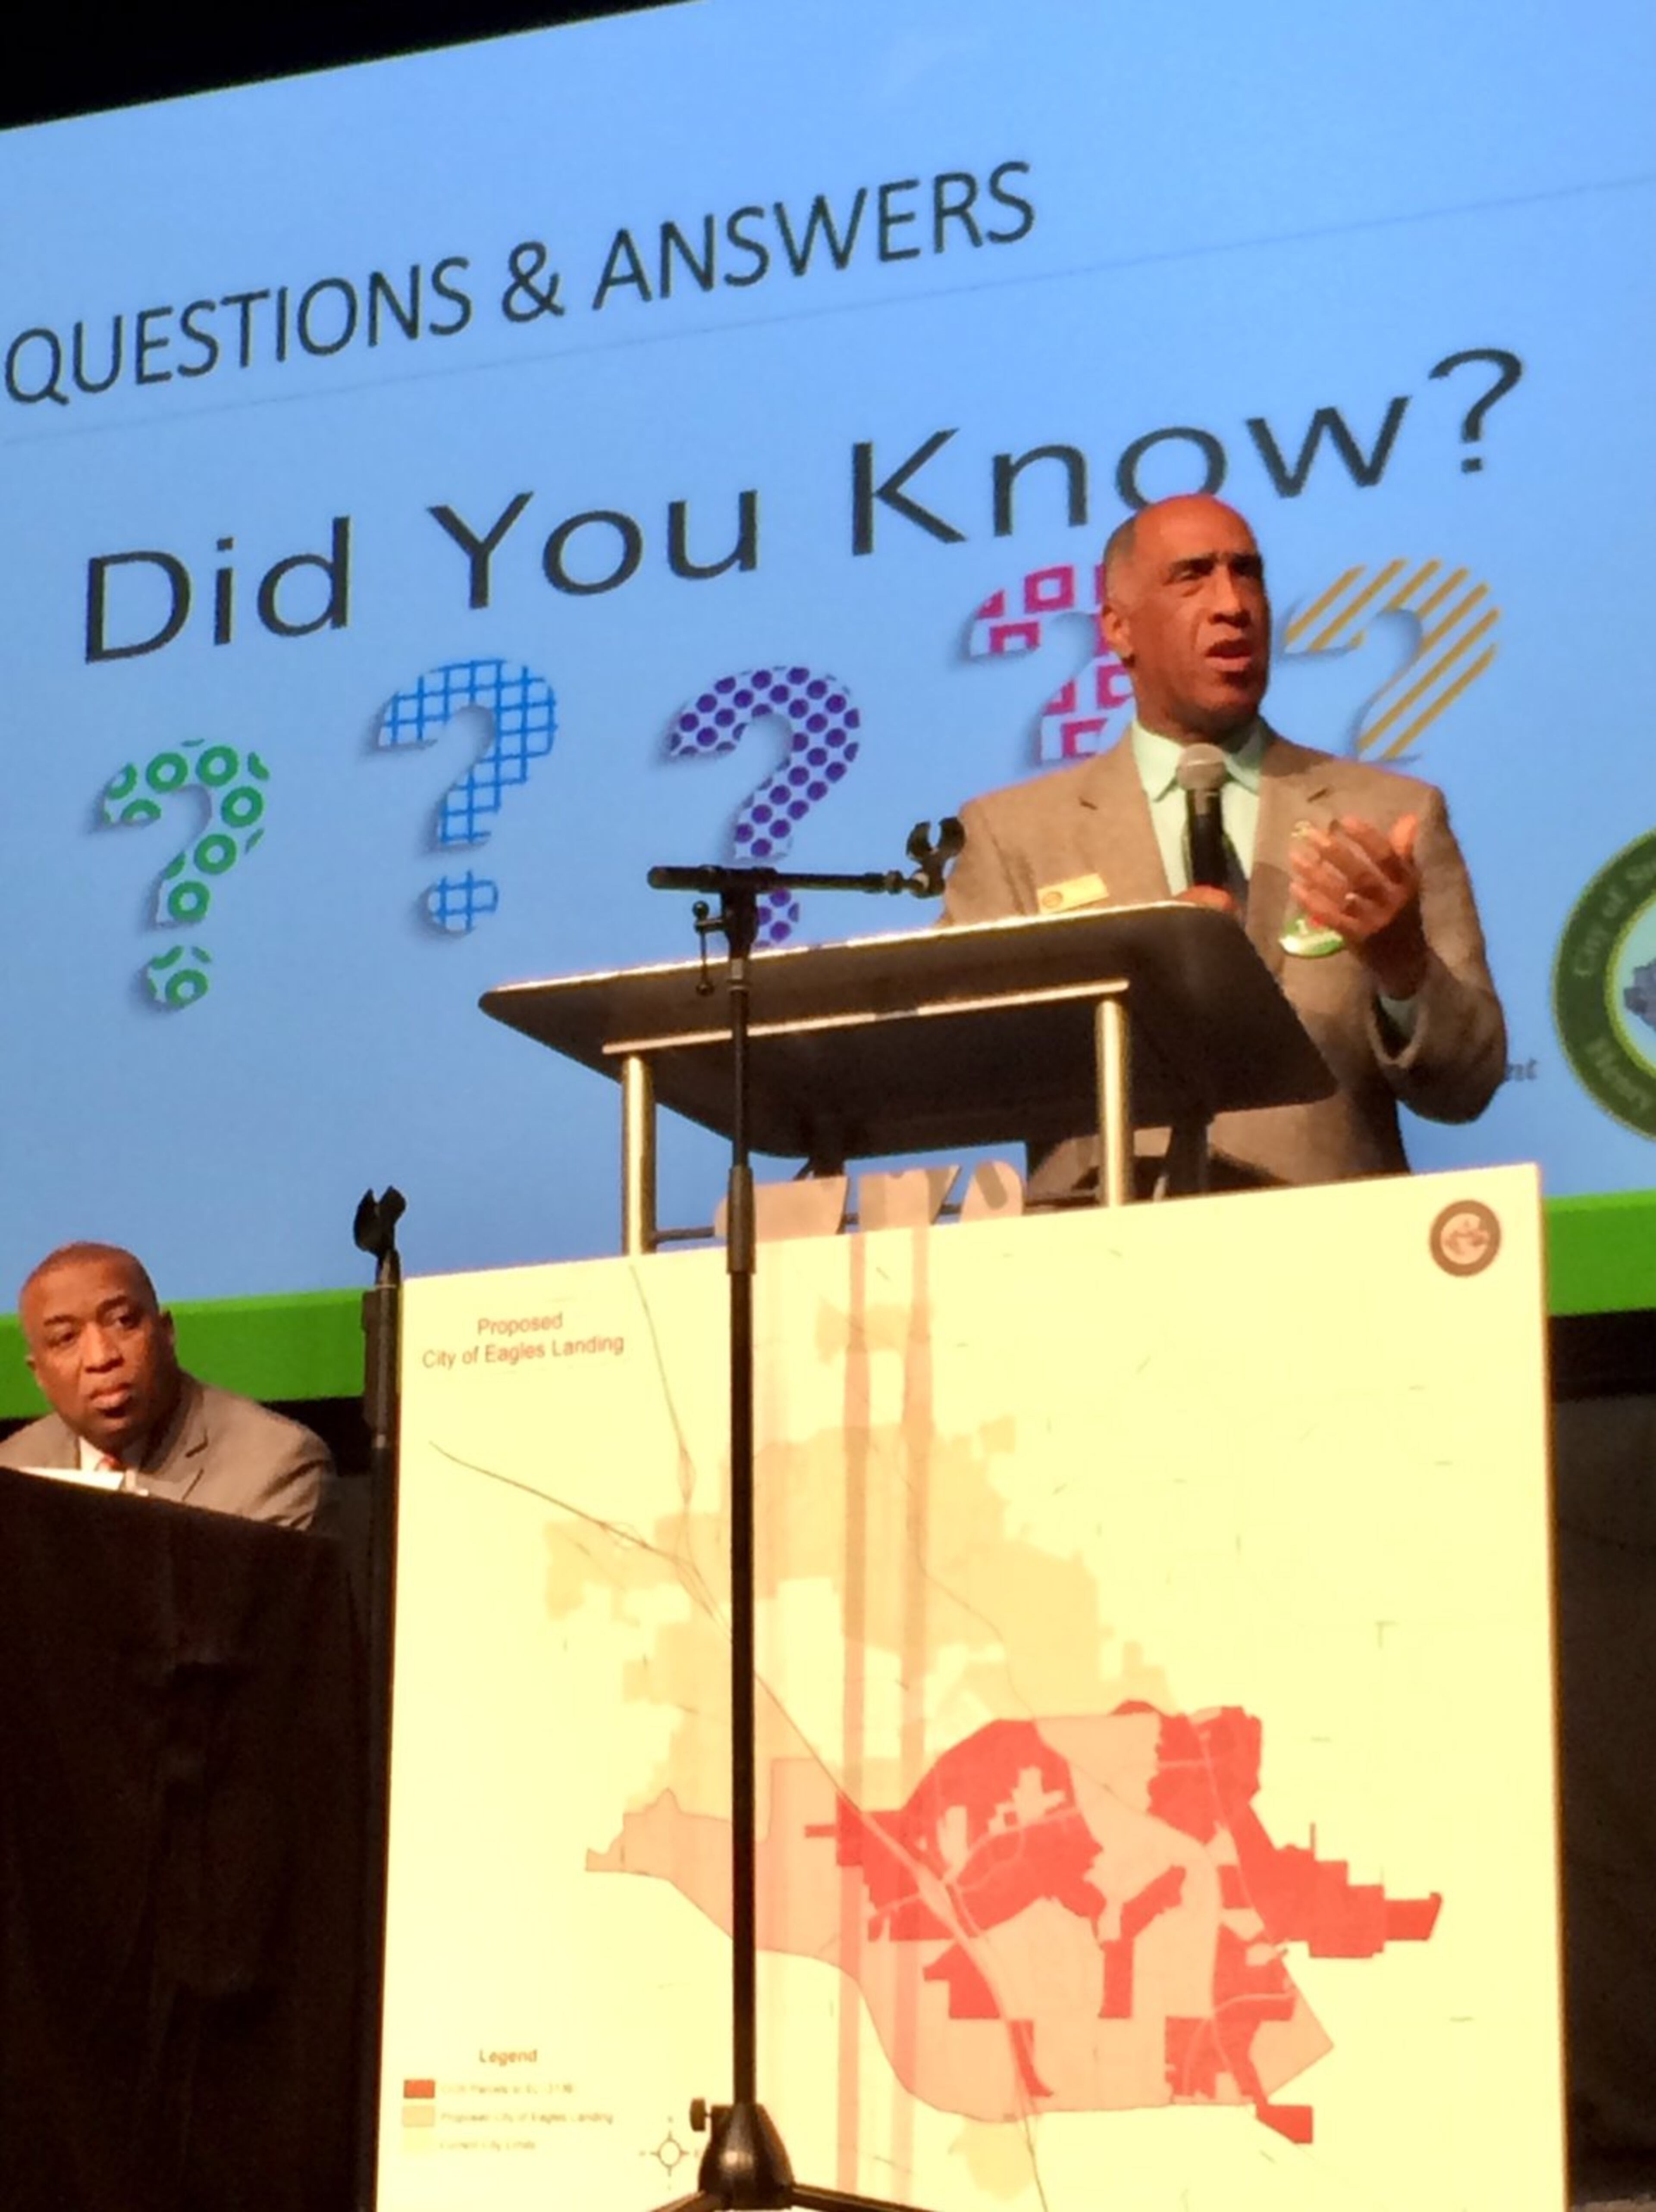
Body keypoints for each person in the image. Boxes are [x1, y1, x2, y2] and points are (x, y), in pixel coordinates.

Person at [942, 493, 1506, 1191]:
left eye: (1248, 573)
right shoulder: (1016, 836)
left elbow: (1469, 1083)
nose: (1232, 603)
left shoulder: (1389, 813)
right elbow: (962, 1069)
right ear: (1119, 629)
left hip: (1329, 1261)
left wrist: (1403, 969)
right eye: (1193, 576)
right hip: (1100, 1257)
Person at [0, 1242, 335, 1530]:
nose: (101, 1357)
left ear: (167, 1332)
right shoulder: (12, 1472)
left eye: (123, 1321)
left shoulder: (274, 1465)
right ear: (39, 1374)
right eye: (66, 1338)